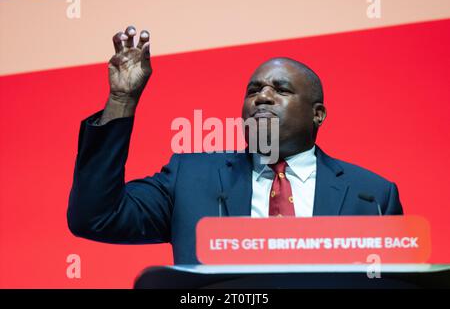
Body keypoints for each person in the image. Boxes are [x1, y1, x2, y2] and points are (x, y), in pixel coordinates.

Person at [68, 26, 403, 264]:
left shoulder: (372, 195)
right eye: (253, 90)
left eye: (281, 91)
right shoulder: (190, 179)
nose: (262, 97)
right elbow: (96, 217)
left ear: (318, 114)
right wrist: (121, 100)